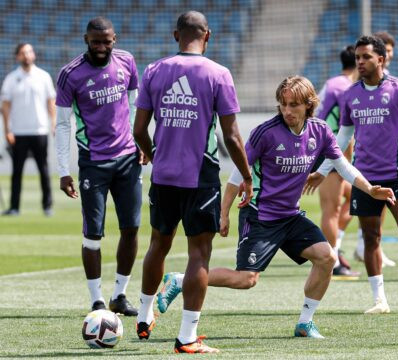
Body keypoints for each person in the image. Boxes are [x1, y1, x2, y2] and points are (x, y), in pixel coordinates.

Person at [154, 76, 395, 339]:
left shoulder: (320, 131)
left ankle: (305, 322)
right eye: (283, 104)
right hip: (260, 216)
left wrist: (370, 189)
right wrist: (223, 214)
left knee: (327, 257)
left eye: (294, 105)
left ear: (308, 105)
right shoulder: (265, 133)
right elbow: (236, 176)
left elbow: (343, 166)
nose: (288, 111)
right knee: (247, 279)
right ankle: (180, 280)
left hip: (290, 216)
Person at [132, 11, 252, 354]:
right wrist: (246, 176)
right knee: (199, 253)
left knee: (158, 243)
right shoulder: (218, 74)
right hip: (200, 175)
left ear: (175, 35)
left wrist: (154, 154)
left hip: (164, 175)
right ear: (208, 36)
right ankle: (186, 337)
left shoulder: (154, 70)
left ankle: (144, 314)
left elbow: (138, 130)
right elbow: (231, 136)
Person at [314, 35, 398, 315]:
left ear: (381, 60)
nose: (360, 62)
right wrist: (323, 171)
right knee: (371, 237)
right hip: (364, 179)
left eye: (366, 57)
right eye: (358, 57)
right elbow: (342, 137)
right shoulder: (350, 95)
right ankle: (379, 301)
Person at [55, 17, 140, 316]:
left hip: (128, 159)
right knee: (92, 234)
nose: (101, 47)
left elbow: (133, 103)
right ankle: (96, 301)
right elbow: (63, 124)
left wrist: (138, 141)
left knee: (131, 229)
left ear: (115, 39)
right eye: (95, 42)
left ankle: (119, 295)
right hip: (93, 163)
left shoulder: (128, 62)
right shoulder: (70, 74)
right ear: (85, 39)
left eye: (106, 41)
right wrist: (64, 170)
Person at [315, 45, 360, 278]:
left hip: (323, 148)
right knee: (331, 209)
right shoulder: (346, 88)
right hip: (329, 153)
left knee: (356, 198)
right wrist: (348, 166)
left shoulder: (333, 82)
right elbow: (346, 130)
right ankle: (332, 262)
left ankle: (335, 244)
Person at [353, 31, 397, 267]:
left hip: (387, 166)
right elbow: (347, 128)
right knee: (338, 208)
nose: (389, 55)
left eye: (391, 51)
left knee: (380, 213)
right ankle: (342, 249)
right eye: (386, 50)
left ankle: (367, 247)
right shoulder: (355, 88)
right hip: (359, 162)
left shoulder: (394, 85)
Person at [1, 43, 55, 216]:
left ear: (34, 55)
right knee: (17, 172)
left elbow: (51, 102)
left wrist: (53, 123)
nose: (27, 55)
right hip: (18, 132)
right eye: (23, 53)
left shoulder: (44, 76)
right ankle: (14, 207)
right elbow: (6, 106)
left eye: (29, 52)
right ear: (18, 56)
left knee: (43, 169)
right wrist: (7, 130)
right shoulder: (11, 78)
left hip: (40, 131)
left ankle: (47, 206)